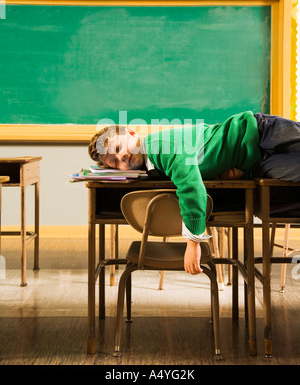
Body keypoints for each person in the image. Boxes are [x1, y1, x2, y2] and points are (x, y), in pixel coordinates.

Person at [88, 111, 300, 275]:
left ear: (132, 134)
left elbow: (191, 186)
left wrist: (193, 242)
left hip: (260, 132)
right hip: (258, 163)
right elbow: (204, 161)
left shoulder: (160, 146)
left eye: (119, 148)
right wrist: (232, 173)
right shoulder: (153, 169)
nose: (122, 157)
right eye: (114, 162)